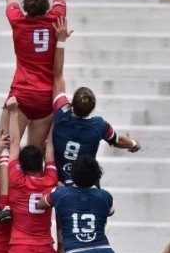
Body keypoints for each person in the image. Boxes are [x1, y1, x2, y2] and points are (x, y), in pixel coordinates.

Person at [51, 16, 142, 185]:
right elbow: (117, 141)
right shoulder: (99, 126)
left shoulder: (61, 113)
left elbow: (57, 75)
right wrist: (134, 143)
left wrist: (61, 41)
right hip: (86, 186)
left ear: (71, 102)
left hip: (61, 184)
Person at [0, 0, 66, 150]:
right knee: (35, 156)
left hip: (21, 94)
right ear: (47, 6)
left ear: (25, 7)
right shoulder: (55, 19)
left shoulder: (18, 21)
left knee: (7, 149)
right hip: (45, 98)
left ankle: (3, 183)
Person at [4, 95, 59, 253]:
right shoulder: (51, 179)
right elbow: (51, 151)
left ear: (23, 166)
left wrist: (14, 111)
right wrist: (55, 120)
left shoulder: (16, 178)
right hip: (45, 252)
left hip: (19, 252)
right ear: (42, 165)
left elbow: (15, 144)